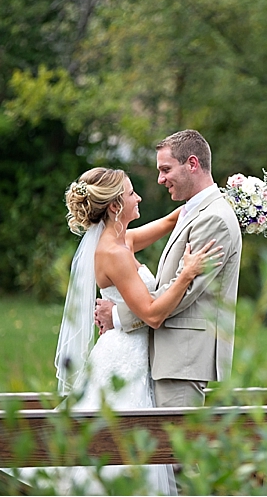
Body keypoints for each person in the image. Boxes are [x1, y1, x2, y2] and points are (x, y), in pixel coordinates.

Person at [38, 166, 222, 495]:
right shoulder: (114, 254)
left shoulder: (123, 240)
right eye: (131, 193)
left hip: (128, 349)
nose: (138, 197)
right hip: (125, 357)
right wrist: (187, 273)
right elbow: (151, 314)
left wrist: (222, 197)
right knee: (122, 448)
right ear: (115, 206)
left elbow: (170, 221)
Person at [95, 129, 243, 408]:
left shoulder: (214, 220)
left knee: (172, 450)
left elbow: (183, 291)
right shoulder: (196, 210)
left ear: (192, 164)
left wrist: (116, 315)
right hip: (165, 357)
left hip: (182, 358)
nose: (159, 179)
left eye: (165, 169)